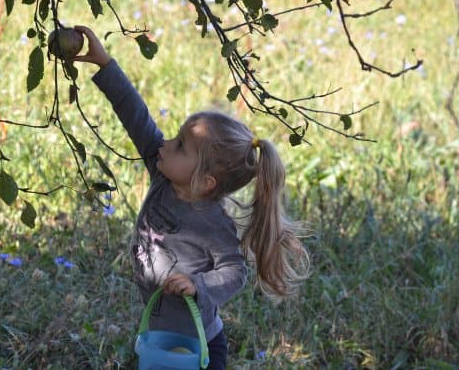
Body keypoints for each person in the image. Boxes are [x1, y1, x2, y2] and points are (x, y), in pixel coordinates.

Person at [72, 25, 310, 369]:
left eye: (180, 145)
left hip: (201, 347)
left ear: (205, 182)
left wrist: (197, 285)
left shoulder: (212, 223)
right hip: (161, 339)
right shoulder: (163, 175)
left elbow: (234, 272)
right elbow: (137, 118)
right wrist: (105, 64)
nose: (165, 143)